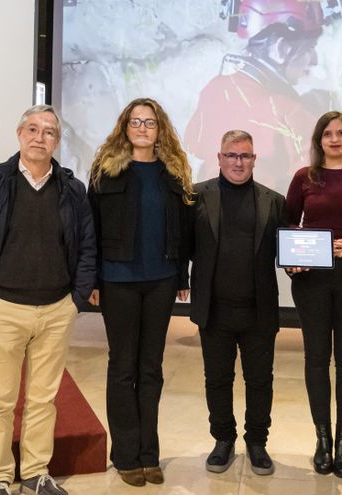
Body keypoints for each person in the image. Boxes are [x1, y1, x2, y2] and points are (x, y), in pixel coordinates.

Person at [0, 105, 96, 495]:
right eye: (32, 129)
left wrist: (75, 300)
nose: (39, 137)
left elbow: (87, 249)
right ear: (19, 134)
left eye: (49, 132)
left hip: (55, 310)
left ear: (57, 142)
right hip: (3, 310)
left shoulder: (72, 189)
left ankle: (35, 472)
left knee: (44, 400)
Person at [86, 98, 194, 487]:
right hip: (117, 280)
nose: (143, 128)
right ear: (125, 127)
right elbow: (91, 230)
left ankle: (150, 454)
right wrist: (93, 280)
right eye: (136, 122)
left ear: (160, 128)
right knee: (123, 367)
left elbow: (182, 232)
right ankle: (125, 455)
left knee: (151, 368)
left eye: (150, 122)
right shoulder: (106, 171)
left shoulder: (174, 173)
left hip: (161, 280)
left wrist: (182, 276)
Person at [284, 111, 342, 478]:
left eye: (341, 133)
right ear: (319, 140)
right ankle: (321, 439)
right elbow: (289, 222)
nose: (335, 139)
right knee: (316, 359)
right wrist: (293, 257)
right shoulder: (304, 178)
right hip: (312, 281)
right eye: (328, 133)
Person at [189, 130, 286, 476]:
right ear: (219, 158)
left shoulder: (274, 201)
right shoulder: (196, 196)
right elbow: (184, 244)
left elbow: (287, 250)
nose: (238, 162)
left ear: (254, 160)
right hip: (214, 309)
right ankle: (223, 440)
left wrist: (300, 261)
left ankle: (257, 442)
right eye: (231, 155)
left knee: (260, 381)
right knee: (217, 379)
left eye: (245, 156)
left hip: (259, 310)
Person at [184, 0, 332, 191]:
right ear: (281, 49)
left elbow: (193, 145)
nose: (314, 60)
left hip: (211, 212)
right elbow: (320, 177)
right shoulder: (287, 110)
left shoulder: (214, 89)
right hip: (267, 216)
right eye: (309, 48)